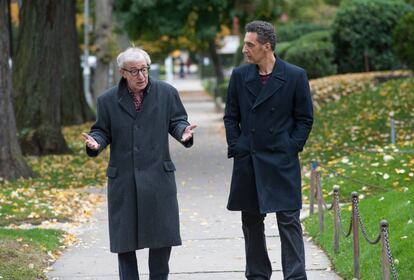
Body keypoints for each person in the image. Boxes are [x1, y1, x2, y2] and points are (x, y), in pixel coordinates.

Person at [82, 47, 196, 280]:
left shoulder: (166, 93)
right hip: (123, 179)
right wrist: (96, 143)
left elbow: (177, 121)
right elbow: (102, 131)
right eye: (134, 71)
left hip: (158, 178)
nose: (141, 76)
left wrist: (184, 132)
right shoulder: (107, 100)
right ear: (123, 72)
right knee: (125, 243)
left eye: (144, 69)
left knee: (162, 239)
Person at [223, 20, 313, 280]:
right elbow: (231, 116)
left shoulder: (295, 75)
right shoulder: (240, 76)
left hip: (281, 160)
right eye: (244, 44)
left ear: (267, 46)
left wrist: (291, 146)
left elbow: (305, 118)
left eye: (250, 45)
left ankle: (296, 276)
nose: (244, 49)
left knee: (289, 221)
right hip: (249, 159)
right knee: (251, 223)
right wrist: (237, 145)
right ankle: (257, 275)